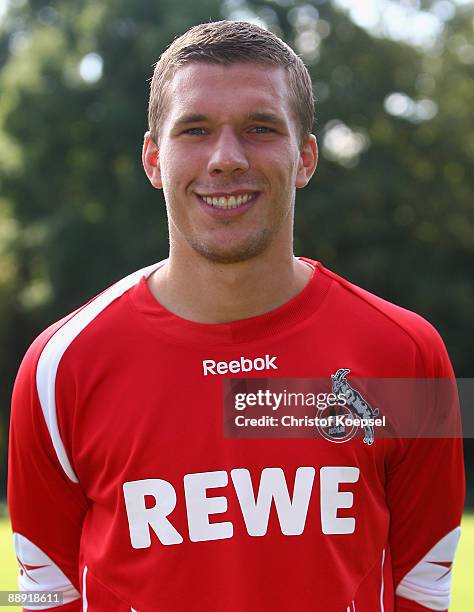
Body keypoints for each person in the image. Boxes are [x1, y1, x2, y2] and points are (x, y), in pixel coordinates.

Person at [8, 20, 464, 612]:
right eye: (195, 129)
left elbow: (423, 584)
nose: (226, 158)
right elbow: (43, 589)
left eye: (260, 128)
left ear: (305, 158)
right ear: (153, 158)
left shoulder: (408, 355)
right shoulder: (56, 366)